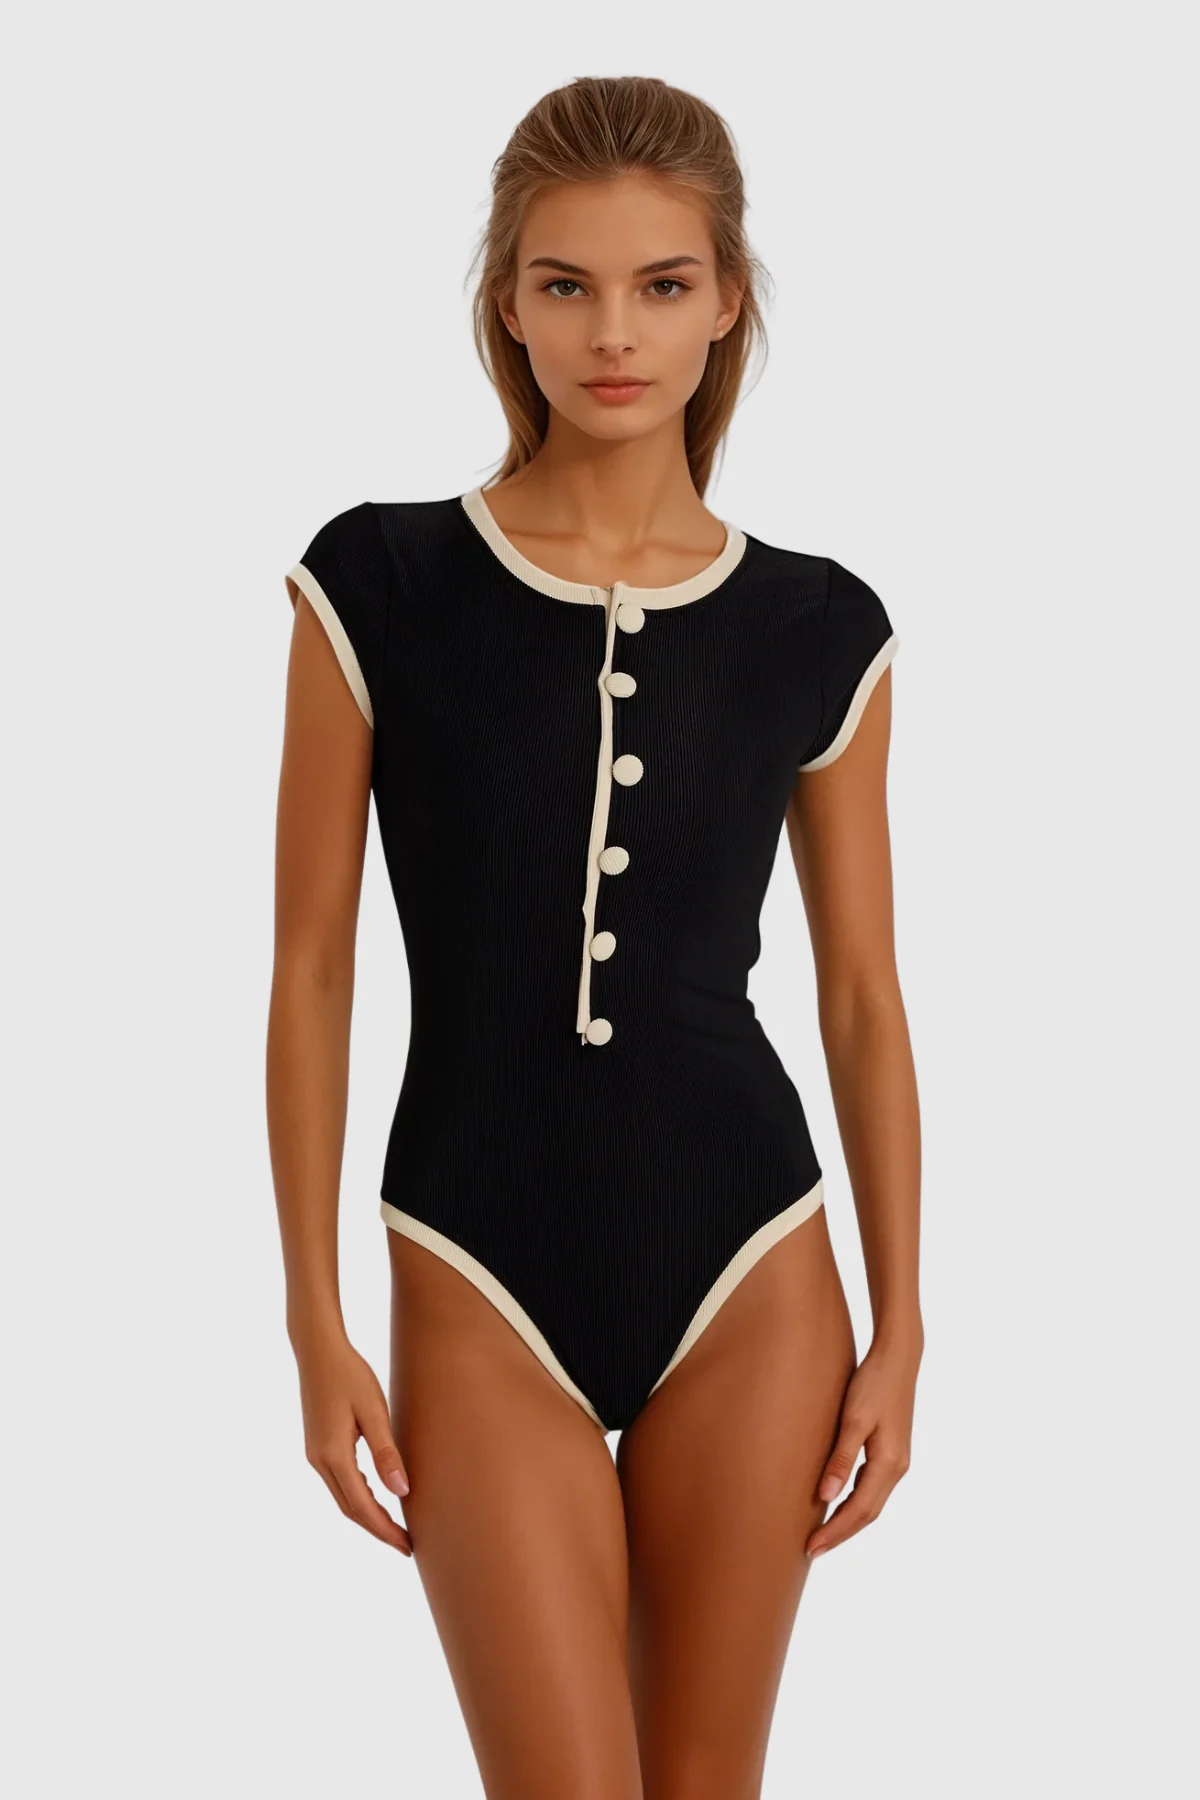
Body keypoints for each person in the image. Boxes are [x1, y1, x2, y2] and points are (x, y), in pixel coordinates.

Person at [267, 73, 922, 1800]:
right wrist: (312, 1315)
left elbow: (863, 997)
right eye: (565, 284)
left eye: (660, 284)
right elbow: (313, 969)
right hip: (473, 1263)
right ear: (507, 299)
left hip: (752, 1261)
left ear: (726, 303)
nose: (612, 332)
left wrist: (905, 1322)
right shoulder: (377, 585)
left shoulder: (820, 624)